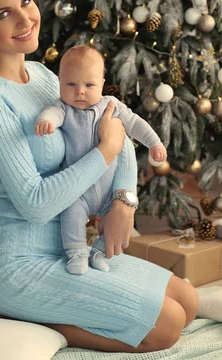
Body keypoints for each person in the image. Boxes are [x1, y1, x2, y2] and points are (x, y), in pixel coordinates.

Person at [0, 0, 198, 353]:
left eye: (26, 2)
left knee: (189, 303)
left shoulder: (44, 76)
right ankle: (8, 315)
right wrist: (104, 151)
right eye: (4, 14)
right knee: (167, 327)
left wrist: (125, 200)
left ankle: (24, 313)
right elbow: (37, 204)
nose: (26, 19)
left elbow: (114, 128)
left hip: (68, 248)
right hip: (14, 264)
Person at [34, 45, 167, 275]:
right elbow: (53, 115)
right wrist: (47, 121)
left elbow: (135, 124)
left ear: (102, 84)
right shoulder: (63, 108)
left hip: (108, 193)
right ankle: (77, 254)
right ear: (60, 83)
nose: (79, 92)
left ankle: (98, 252)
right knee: (71, 216)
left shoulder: (111, 105)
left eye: (89, 85)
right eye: (71, 84)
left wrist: (154, 143)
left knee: (113, 224)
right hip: (79, 192)